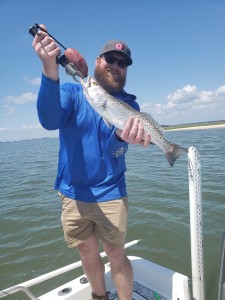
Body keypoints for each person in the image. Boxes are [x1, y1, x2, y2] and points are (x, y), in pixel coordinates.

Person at [32, 24, 151, 300]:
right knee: (87, 251)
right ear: (98, 61)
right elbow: (49, 121)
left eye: (123, 63)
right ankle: (98, 296)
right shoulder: (74, 94)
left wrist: (124, 137)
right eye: (111, 59)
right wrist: (50, 68)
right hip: (72, 194)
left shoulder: (131, 108)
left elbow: (114, 146)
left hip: (111, 193)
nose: (116, 65)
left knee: (116, 253)